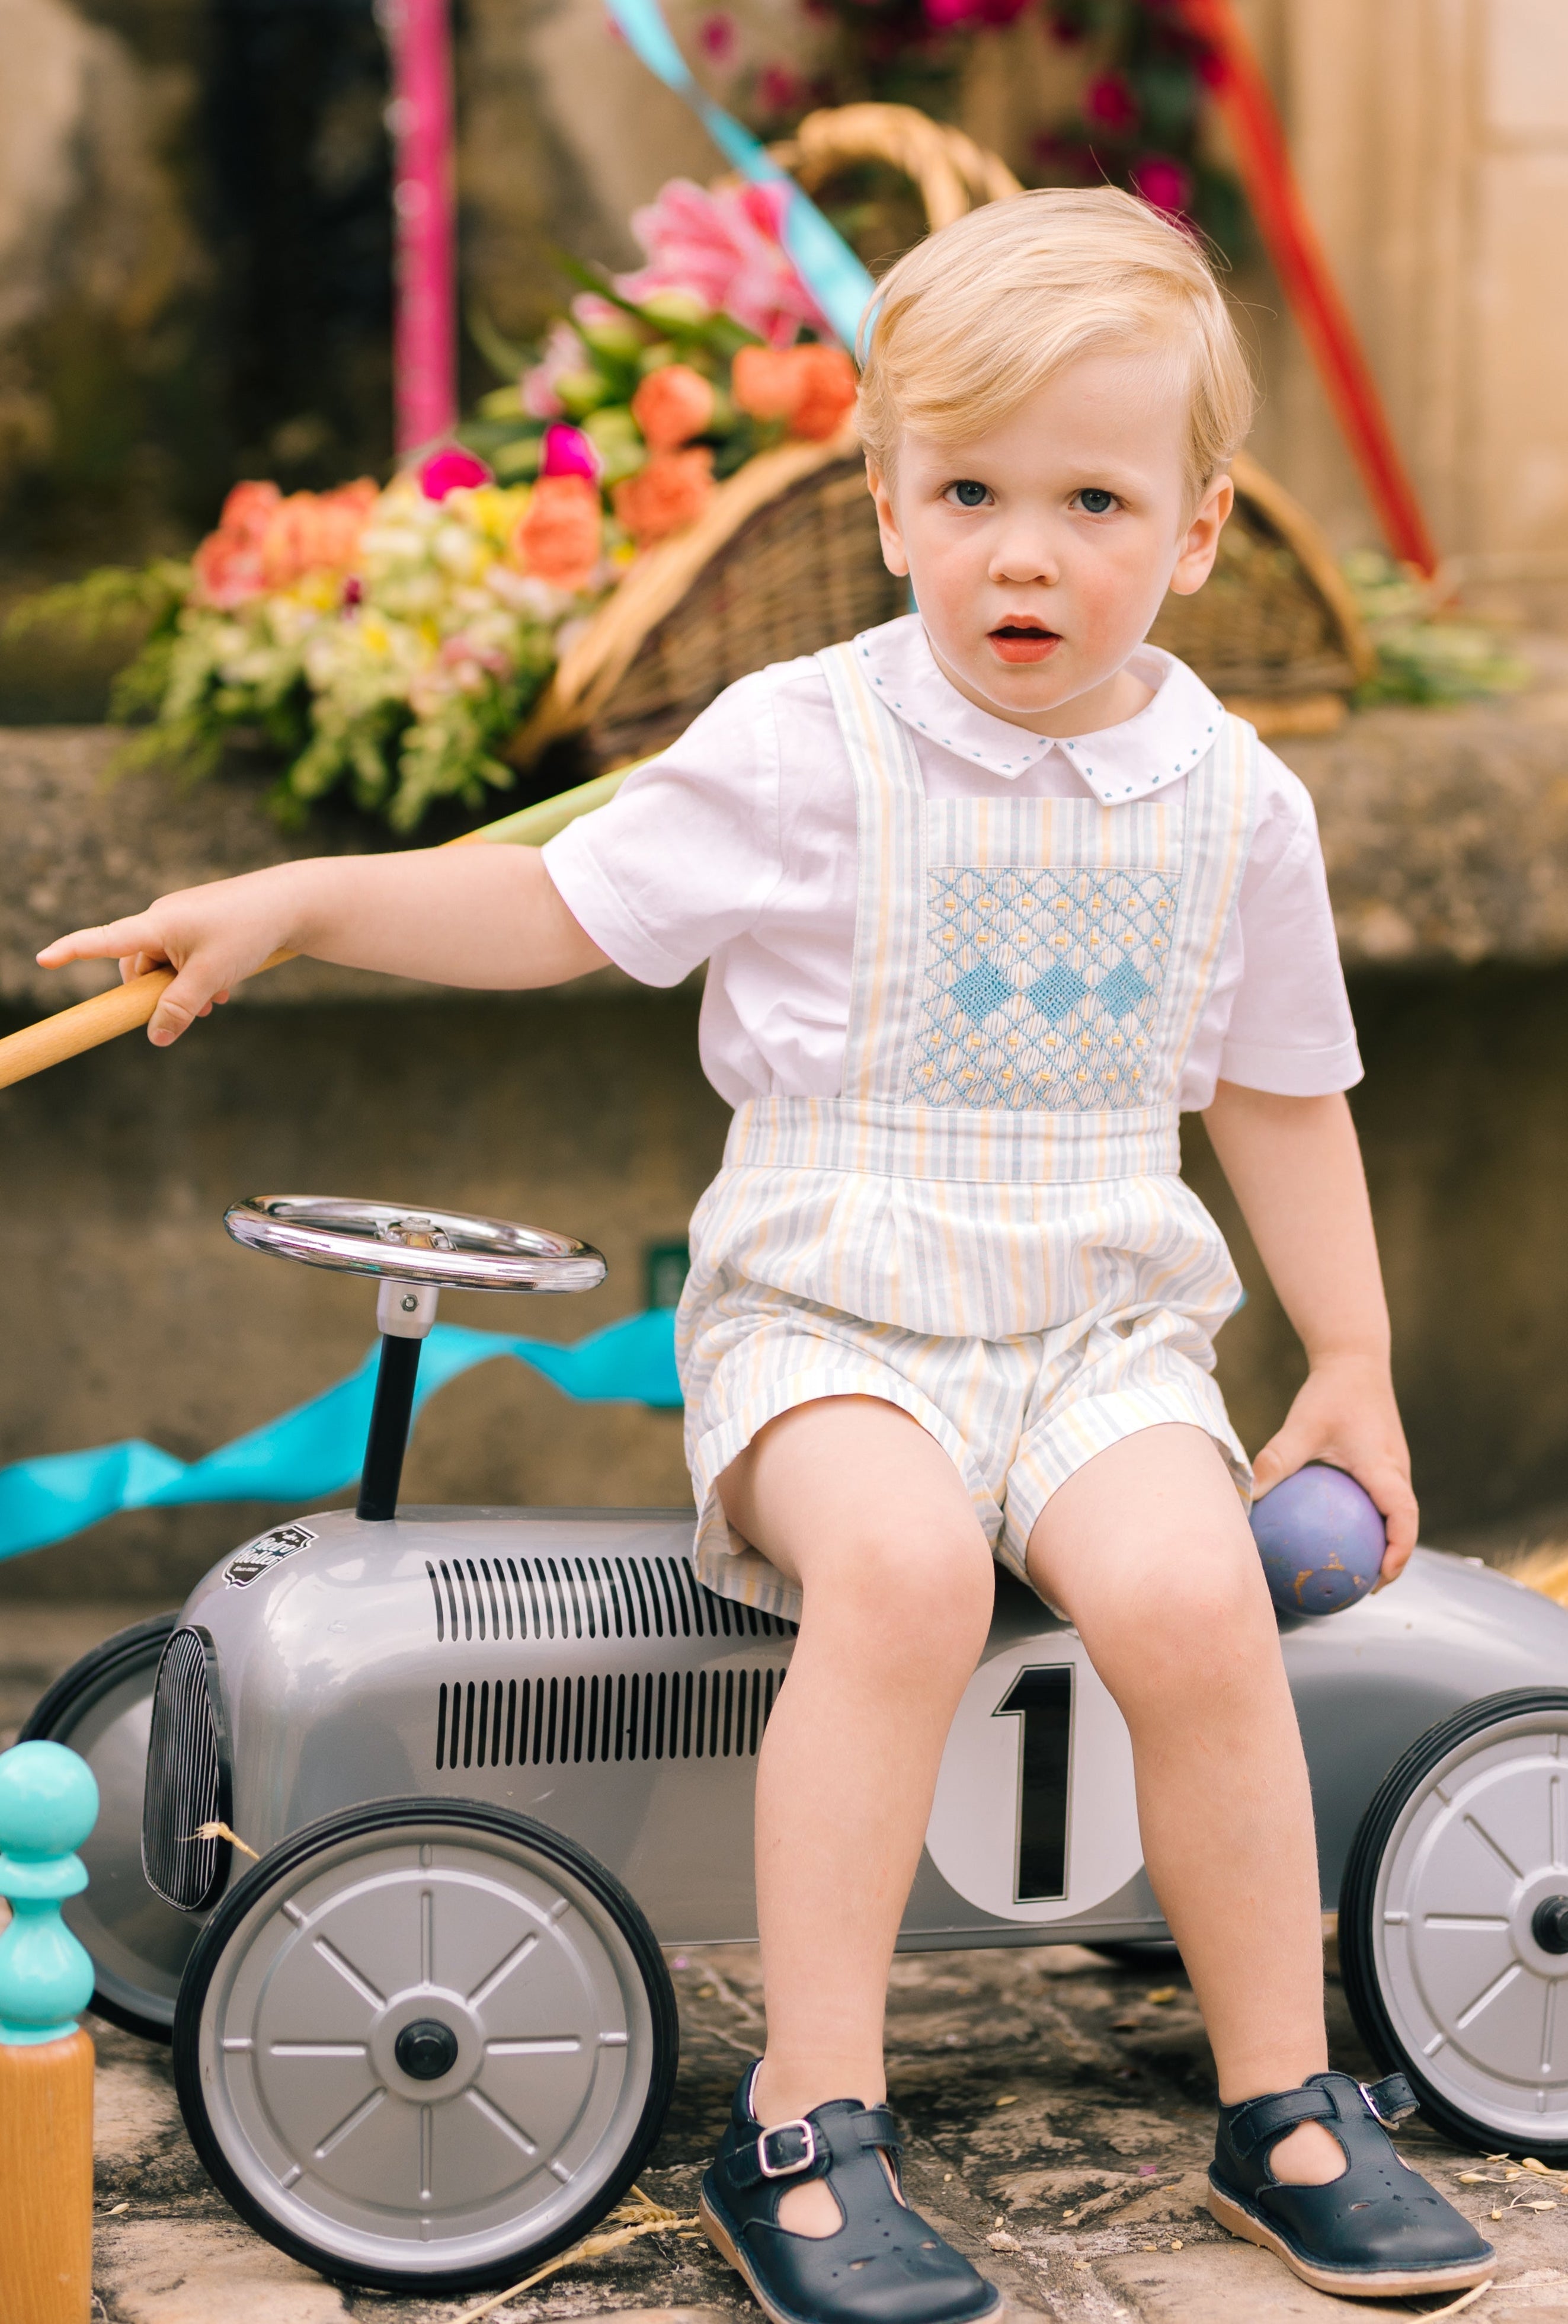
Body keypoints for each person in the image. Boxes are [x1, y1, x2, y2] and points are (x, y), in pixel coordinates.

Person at [42, 188, 1493, 2316]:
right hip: (836, 1317)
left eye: (1092, 501)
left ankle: (1283, 2100)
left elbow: (1283, 1089)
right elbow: (550, 908)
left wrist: (1348, 1360)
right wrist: (301, 902)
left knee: (1197, 1597)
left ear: (1196, 535)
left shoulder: (1231, 799)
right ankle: (810, 2116)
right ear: (887, 504)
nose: (1021, 554)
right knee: (901, 1573)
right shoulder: (806, 744)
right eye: (969, 493)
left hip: (1100, 1331)